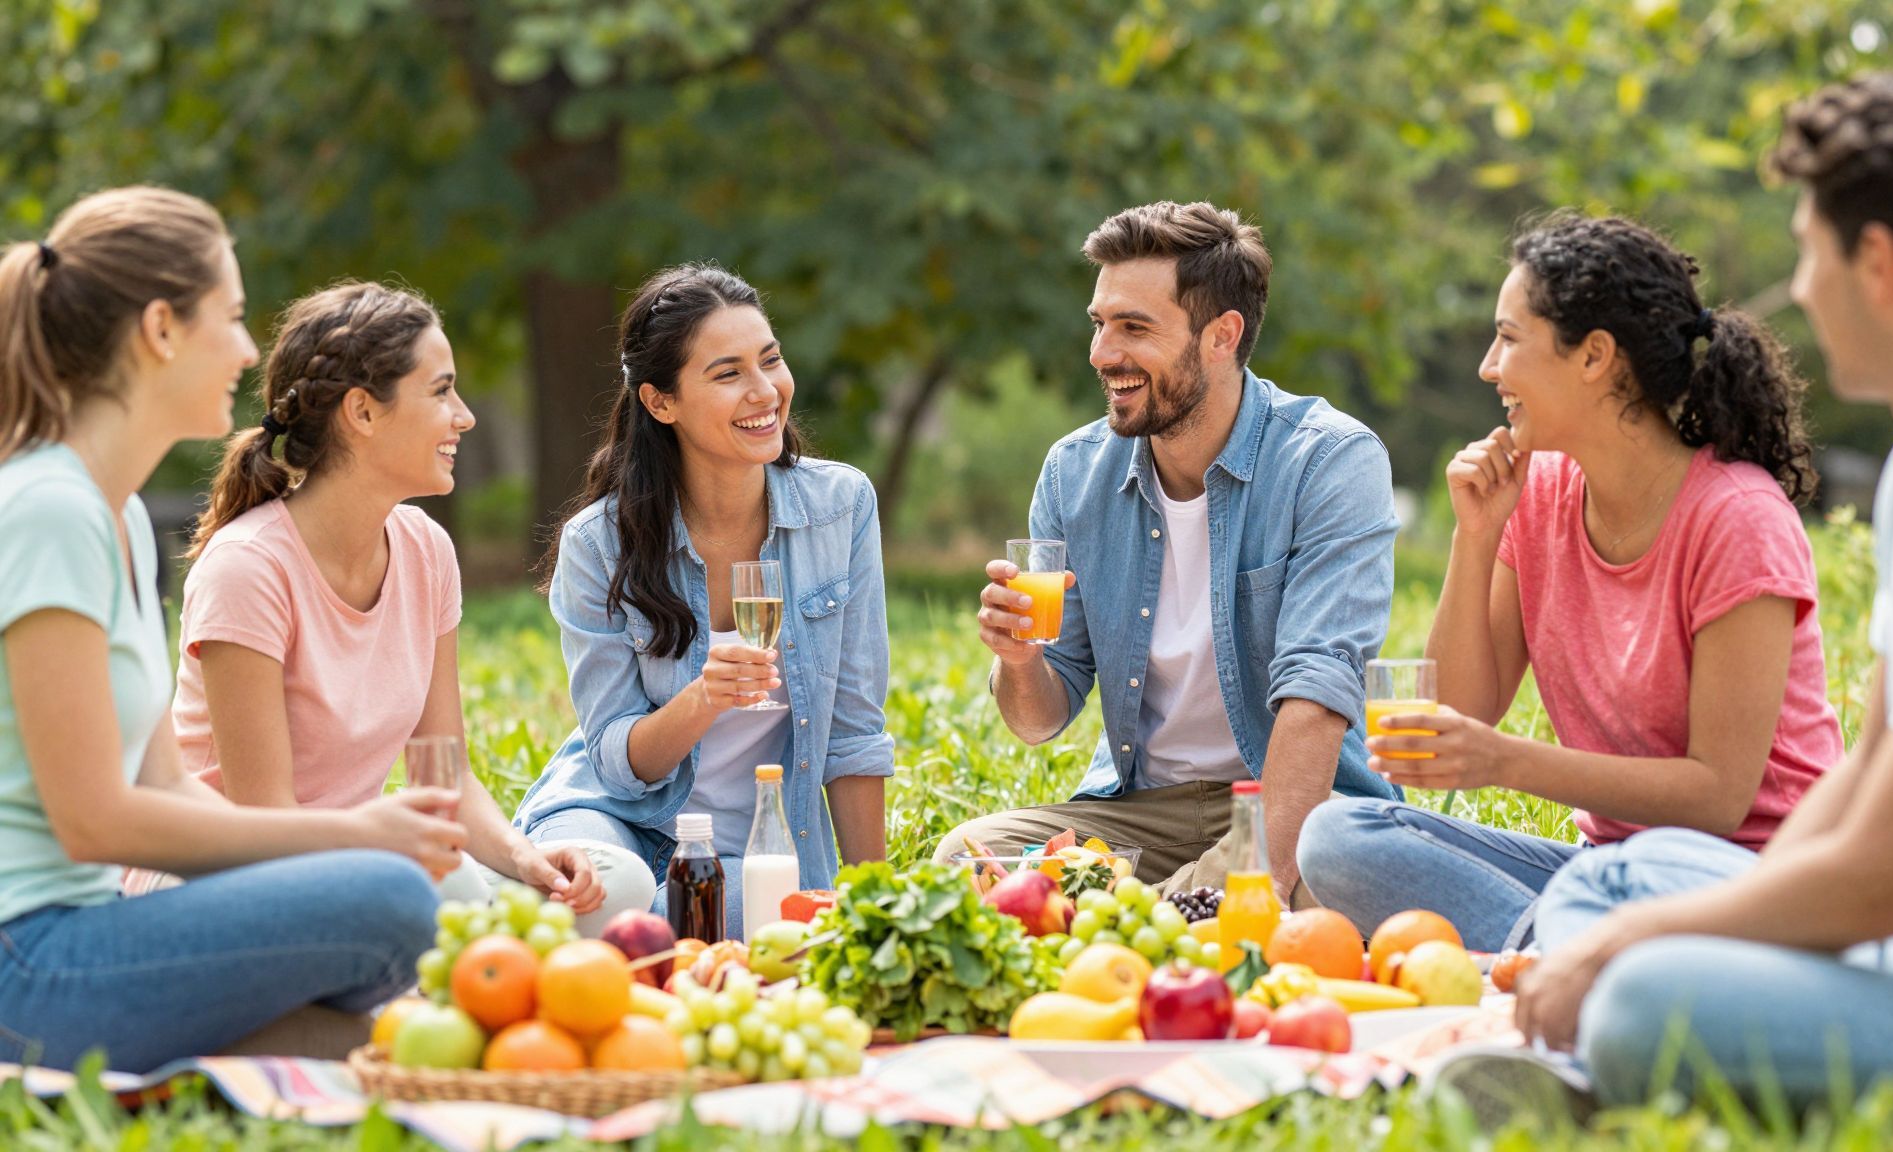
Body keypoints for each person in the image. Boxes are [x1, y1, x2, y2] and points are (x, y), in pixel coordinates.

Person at [1510, 66, 1893, 1111]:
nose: (1799, 288)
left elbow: (1879, 882)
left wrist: (1637, 944)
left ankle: (1573, 1058)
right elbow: (1863, 776)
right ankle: (1576, 1032)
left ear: (1878, 261)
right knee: (1625, 872)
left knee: (1637, 995)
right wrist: (1704, 910)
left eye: (1808, 251)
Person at [0, 187, 460, 1073]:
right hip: (28, 961)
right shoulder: (48, 511)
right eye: (235, 316)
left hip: (84, 937)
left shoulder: (117, 518)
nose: (250, 352)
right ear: (162, 328)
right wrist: (353, 842)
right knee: (395, 905)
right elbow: (94, 820)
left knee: (411, 1021)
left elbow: (166, 780)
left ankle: (234, 1064)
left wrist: (311, 877)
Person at [1296, 214, 1843, 951]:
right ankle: (1568, 950)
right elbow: (1461, 711)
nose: (1490, 366)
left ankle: (1563, 954)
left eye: (1510, 339)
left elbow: (1719, 797)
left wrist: (1507, 762)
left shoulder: (1738, 520)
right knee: (1337, 835)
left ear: (1594, 357)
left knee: (1617, 880)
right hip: (1606, 874)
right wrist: (1477, 535)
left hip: (1747, 880)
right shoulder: (1543, 493)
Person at [934, 200, 1400, 902]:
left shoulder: (1329, 462)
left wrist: (1185, 897)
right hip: (1143, 813)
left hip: (1297, 807)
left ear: (1222, 336)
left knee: (1326, 890)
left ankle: (1158, 924)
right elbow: (1038, 720)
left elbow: (1316, 699)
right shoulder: (1074, 472)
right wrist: (1020, 660)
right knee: (966, 862)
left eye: (1133, 328)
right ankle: (1158, 925)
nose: (1101, 353)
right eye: (1099, 324)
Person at [165, 281, 650, 937]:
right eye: (441, 390)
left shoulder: (426, 550)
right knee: (444, 893)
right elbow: (264, 822)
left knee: (618, 883)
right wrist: (397, 853)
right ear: (362, 413)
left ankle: (475, 965)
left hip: (374, 863)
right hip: (244, 882)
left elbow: (444, 776)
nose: (464, 415)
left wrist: (524, 858)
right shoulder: (248, 569)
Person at [513, 265, 891, 933]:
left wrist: (879, 910)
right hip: (616, 816)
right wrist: (703, 698)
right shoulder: (598, 544)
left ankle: (584, 928)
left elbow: (855, 736)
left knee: (753, 919)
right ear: (661, 402)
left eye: (770, 360)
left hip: (756, 846)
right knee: (607, 888)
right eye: (728, 374)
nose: (765, 390)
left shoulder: (842, 508)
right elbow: (617, 765)